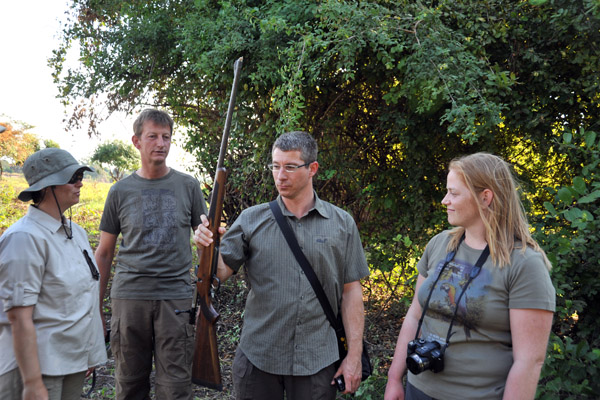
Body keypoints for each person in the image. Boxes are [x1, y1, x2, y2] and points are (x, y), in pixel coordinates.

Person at [194, 130, 370, 399]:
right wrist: (205, 247)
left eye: (289, 167)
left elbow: (351, 293)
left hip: (317, 360)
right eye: (275, 166)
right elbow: (219, 272)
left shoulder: (341, 223)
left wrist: (354, 357)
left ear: (312, 169)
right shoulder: (252, 219)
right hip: (259, 358)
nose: (280, 175)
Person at [384, 152, 556, 400]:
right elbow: (415, 314)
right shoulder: (439, 244)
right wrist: (393, 378)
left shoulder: (525, 264)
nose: (445, 200)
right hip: (418, 389)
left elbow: (529, 361)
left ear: (485, 197)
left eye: (454, 193)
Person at [94, 109, 207, 400]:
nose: (161, 143)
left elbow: (205, 239)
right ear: (136, 141)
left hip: (176, 299)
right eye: (153, 136)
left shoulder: (189, 185)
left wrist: (206, 238)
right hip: (129, 297)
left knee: (176, 388)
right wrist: (96, 308)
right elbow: (104, 253)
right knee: (130, 384)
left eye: (166, 137)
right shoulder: (119, 191)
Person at [0, 148, 107, 400]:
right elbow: (18, 317)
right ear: (48, 187)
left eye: (80, 175)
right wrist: (32, 382)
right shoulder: (24, 238)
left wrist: (88, 353)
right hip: (41, 366)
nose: (80, 182)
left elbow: (81, 297)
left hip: (71, 362)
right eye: (73, 177)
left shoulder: (76, 233)